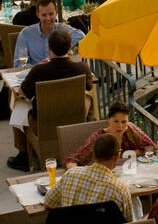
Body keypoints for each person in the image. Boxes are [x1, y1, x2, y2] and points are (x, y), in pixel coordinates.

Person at [5, 29, 97, 171]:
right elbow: (90, 85)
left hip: (42, 122)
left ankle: (23, 155)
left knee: (18, 105)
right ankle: (91, 139)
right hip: (73, 118)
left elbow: (22, 92)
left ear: (49, 48)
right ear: (69, 47)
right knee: (89, 97)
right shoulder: (81, 68)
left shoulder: (38, 71)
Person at [44, 131, 133, 222]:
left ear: (93, 154)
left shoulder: (71, 174)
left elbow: (48, 203)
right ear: (117, 156)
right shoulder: (120, 190)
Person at [63, 97, 155, 167]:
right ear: (108, 120)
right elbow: (71, 160)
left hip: (130, 172)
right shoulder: (99, 138)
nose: (120, 126)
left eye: (124, 122)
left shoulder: (130, 129)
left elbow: (151, 146)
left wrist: (130, 153)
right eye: (116, 121)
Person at [13, 0, 84, 67]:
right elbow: (18, 64)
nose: (48, 18)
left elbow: (81, 36)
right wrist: (37, 66)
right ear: (38, 15)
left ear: (56, 12)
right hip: (36, 75)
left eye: (51, 14)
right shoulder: (26, 33)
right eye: (44, 15)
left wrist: (66, 45)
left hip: (59, 73)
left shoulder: (61, 28)